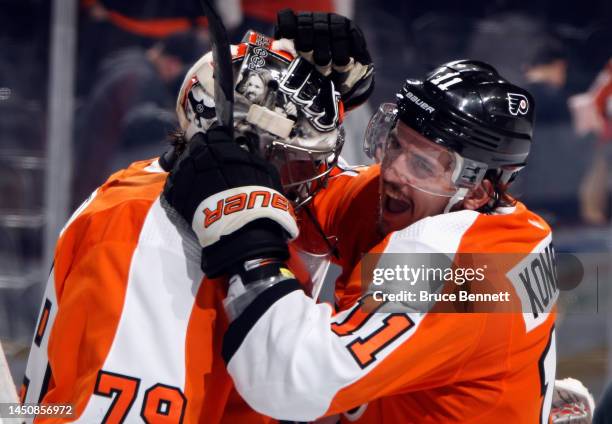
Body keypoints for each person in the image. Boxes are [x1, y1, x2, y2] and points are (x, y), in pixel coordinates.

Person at [164, 34, 560, 422]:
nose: (392, 172)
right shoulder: (471, 216)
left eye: (422, 164)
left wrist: (249, 247)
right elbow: (306, 193)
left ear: (478, 191)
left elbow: (287, 381)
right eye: (396, 143)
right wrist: (319, 102)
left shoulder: (461, 270)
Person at [21, 11, 373, 423]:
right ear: (247, 150)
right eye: (300, 164)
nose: (316, 182)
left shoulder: (448, 261)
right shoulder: (147, 238)